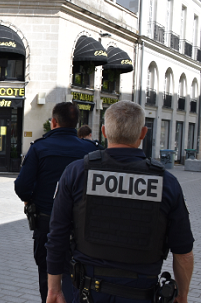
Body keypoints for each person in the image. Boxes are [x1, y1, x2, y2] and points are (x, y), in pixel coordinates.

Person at [46, 100, 194, 303]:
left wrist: (54, 289)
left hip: (88, 293)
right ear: (143, 133)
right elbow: (183, 253)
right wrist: (182, 295)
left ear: (105, 132)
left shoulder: (77, 172)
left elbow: (57, 236)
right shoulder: (166, 182)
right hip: (141, 293)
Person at [14, 102, 98, 303]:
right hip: (83, 227)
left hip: (47, 223)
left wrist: (32, 199)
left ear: (53, 122)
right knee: (80, 277)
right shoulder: (92, 151)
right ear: (76, 123)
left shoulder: (39, 148)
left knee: (47, 276)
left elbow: (22, 186)